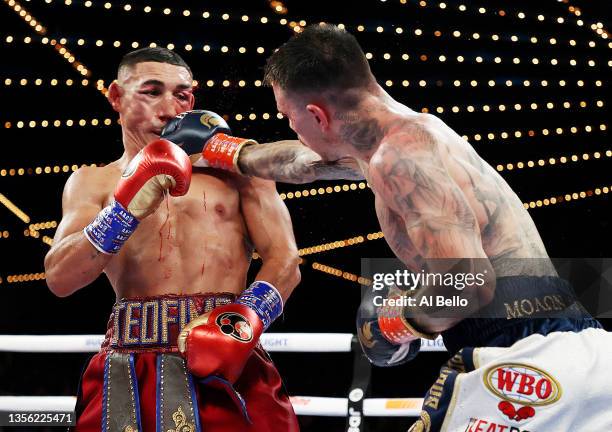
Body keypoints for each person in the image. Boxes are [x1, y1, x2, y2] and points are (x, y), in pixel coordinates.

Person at [165, 24, 612, 431]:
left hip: (522, 358)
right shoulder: (397, 137)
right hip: (579, 349)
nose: (291, 126)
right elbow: (299, 162)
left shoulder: (401, 157)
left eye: (289, 115)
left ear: (318, 115)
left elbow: (470, 283)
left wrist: (395, 322)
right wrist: (218, 148)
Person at [44, 47, 301, 432]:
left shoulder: (238, 174)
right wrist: (125, 207)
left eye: (181, 95)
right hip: (128, 365)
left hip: (227, 355)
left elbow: (286, 263)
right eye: (151, 91)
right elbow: (60, 278)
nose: (168, 109)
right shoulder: (92, 181)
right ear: (116, 96)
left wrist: (241, 322)